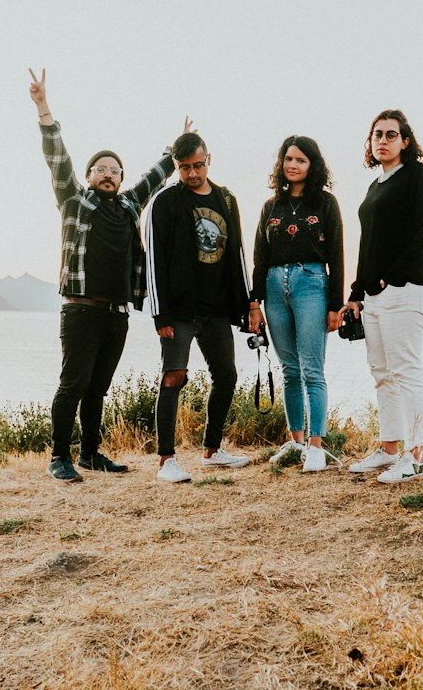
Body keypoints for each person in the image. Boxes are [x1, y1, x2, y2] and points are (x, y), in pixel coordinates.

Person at [29, 67, 189, 483]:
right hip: (80, 310)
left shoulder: (130, 205)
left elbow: (157, 175)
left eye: (114, 170)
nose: (108, 173)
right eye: (100, 168)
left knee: (99, 388)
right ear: (88, 177)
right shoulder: (75, 202)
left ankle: (90, 453)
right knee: (73, 384)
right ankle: (58, 456)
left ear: (120, 179)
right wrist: (44, 108)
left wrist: (177, 148)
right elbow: (57, 158)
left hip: (116, 313)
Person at [145, 131, 257, 482]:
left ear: (209, 159)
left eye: (197, 165)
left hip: (217, 308)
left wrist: (249, 304)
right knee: (173, 376)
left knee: (227, 375)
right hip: (178, 311)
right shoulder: (164, 202)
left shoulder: (227, 199)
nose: (192, 173)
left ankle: (212, 450)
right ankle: (166, 460)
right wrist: (159, 314)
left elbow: (238, 254)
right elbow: (154, 261)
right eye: (183, 167)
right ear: (176, 166)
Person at [343, 109, 423, 484]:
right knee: (383, 373)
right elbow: (367, 245)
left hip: (406, 291)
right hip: (375, 296)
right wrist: (356, 292)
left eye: (390, 134)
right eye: (377, 135)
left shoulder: (416, 177)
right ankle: (389, 451)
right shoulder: (376, 186)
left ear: (405, 141)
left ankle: (417, 458)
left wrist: (392, 278)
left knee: (407, 371)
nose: (382, 140)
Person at [251, 136, 344, 473]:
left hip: (312, 285)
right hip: (275, 287)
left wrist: (336, 305)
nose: (293, 165)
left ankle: (316, 447)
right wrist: (253, 302)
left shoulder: (326, 204)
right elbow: (260, 259)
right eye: (288, 159)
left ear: (312, 165)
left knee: (312, 370)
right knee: (290, 371)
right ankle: (295, 441)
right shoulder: (270, 206)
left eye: (301, 160)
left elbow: (336, 254)